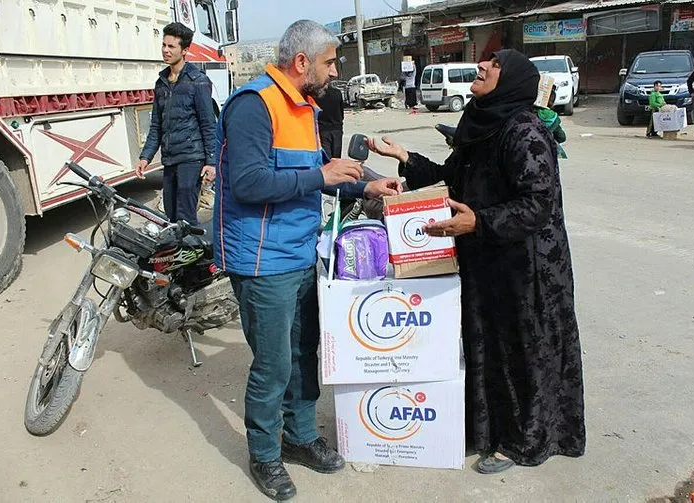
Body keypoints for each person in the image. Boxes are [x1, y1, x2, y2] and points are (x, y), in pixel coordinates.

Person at [367, 49, 586, 475]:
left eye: (495, 64)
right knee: (488, 346)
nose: (483, 67)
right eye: (485, 62)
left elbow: (538, 204)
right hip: (486, 256)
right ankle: (491, 430)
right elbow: (454, 179)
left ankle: (524, 440)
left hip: (527, 267)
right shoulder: (481, 123)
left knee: (522, 350)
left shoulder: (523, 130)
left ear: (511, 80)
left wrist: (479, 221)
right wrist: (406, 158)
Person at [213, 20, 401, 501]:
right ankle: (265, 454)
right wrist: (320, 175)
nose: (336, 70)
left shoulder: (303, 107)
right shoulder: (254, 105)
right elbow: (249, 184)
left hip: (300, 251)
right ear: (302, 63)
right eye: (330, 62)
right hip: (261, 259)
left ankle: (299, 437)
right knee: (273, 364)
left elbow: (322, 173)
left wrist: (364, 186)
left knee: (303, 353)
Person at [136, 22, 216, 224]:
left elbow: (208, 124)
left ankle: (192, 254)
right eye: (164, 45)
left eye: (171, 46)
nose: (165, 50)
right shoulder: (161, 82)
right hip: (169, 159)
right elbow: (156, 125)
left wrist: (211, 162)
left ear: (185, 50)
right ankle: (178, 253)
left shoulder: (198, 81)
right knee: (170, 215)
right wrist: (145, 157)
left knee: (185, 217)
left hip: (191, 158)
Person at [536, 85, 568, 157]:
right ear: (552, 102)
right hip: (547, 153)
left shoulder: (529, 112)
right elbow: (562, 137)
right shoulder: (552, 117)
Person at [315, 83, 344, 158]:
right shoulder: (337, 93)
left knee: (327, 158)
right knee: (336, 157)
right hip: (337, 129)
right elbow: (342, 112)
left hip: (323, 129)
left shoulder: (316, 95)